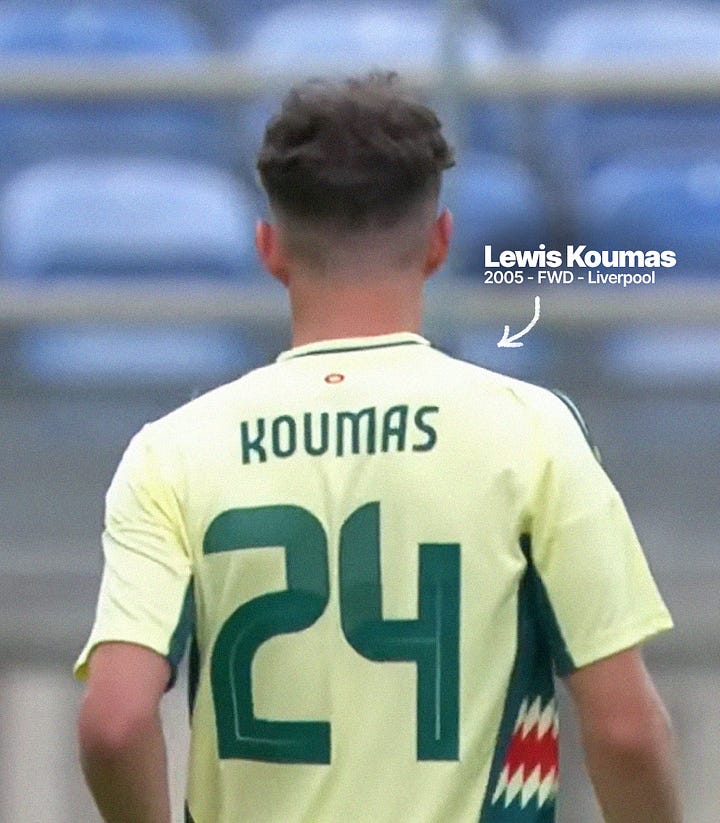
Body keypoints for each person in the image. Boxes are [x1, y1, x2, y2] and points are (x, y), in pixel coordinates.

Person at [75, 72, 682, 823]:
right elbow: (624, 730)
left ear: (269, 248)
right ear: (439, 241)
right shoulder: (531, 430)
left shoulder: (172, 452)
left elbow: (114, 723)